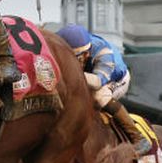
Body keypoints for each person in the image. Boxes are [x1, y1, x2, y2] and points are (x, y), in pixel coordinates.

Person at [56, 23, 151, 155]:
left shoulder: (102, 51)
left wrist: (69, 73)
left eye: (74, 58)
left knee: (98, 96)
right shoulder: (73, 50)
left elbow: (97, 82)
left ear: (86, 53)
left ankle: (138, 137)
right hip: (88, 78)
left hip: (115, 79)